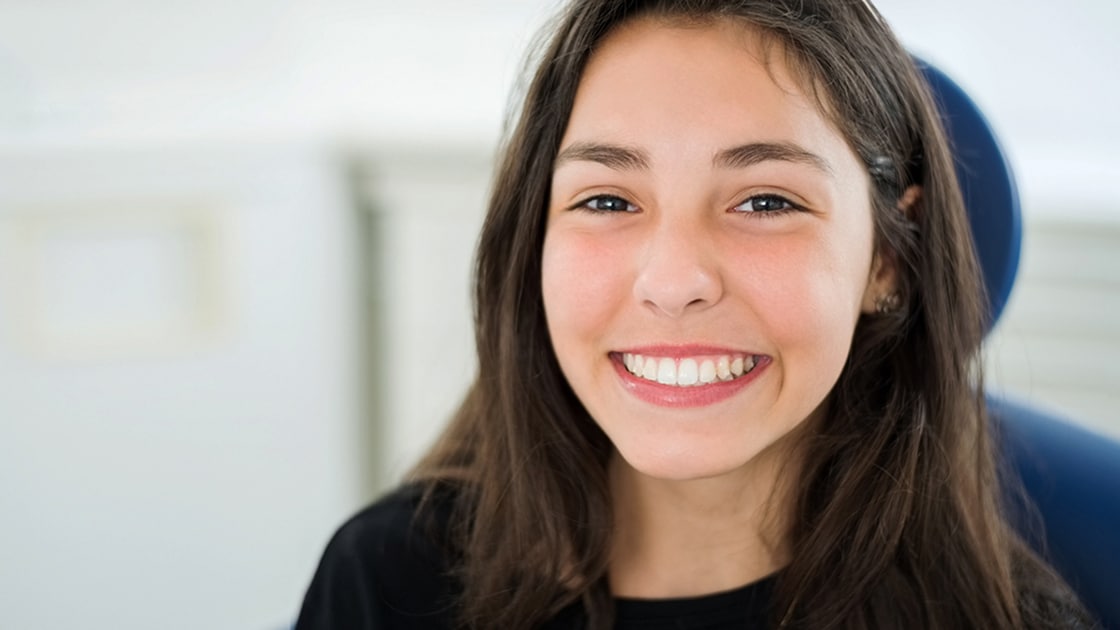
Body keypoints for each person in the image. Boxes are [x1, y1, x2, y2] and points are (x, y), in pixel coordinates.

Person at [295, 0, 1096, 628]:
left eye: (765, 200)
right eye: (607, 199)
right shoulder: (389, 583)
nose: (673, 281)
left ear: (887, 261)